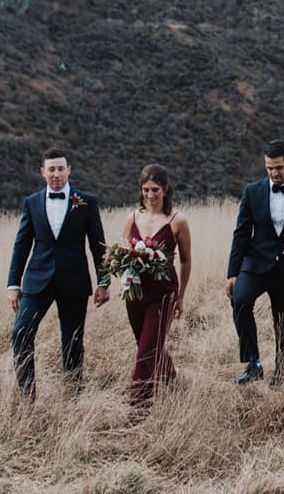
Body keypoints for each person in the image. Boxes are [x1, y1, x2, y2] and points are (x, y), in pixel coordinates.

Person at [7, 148, 109, 399]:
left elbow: (98, 245)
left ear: (69, 171)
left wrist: (104, 282)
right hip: (36, 281)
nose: (56, 174)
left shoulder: (86, 202)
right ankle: (26, 397)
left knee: (73, 341)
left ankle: (73, 397)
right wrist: (13, 284)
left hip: (73, 281)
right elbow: (22, 244)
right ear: (43, 172)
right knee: (21, 332)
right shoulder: (31, 203)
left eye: (60, 168)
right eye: (51, 169)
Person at [226, 140, 284, 385]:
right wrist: (232, 272)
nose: (274, 173)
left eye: (278, 168)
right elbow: (241, 233)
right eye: (269, 168)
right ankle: (254, 364)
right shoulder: (252, 191)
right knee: (240, 301)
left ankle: (283, 376)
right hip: (255, 262)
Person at [118, 164, 191, 413]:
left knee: (147, 352)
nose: (150, 195)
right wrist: (121, 273)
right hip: (136, 292)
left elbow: (185, 260)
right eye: (146, 190)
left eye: (155, 190)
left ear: (166, 189)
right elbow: (123, 254)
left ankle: (138, 408)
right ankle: (171, 377)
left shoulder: (177, 221)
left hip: (164, 292)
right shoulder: (132, 218)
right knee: (146, 345)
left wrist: (180, 297)